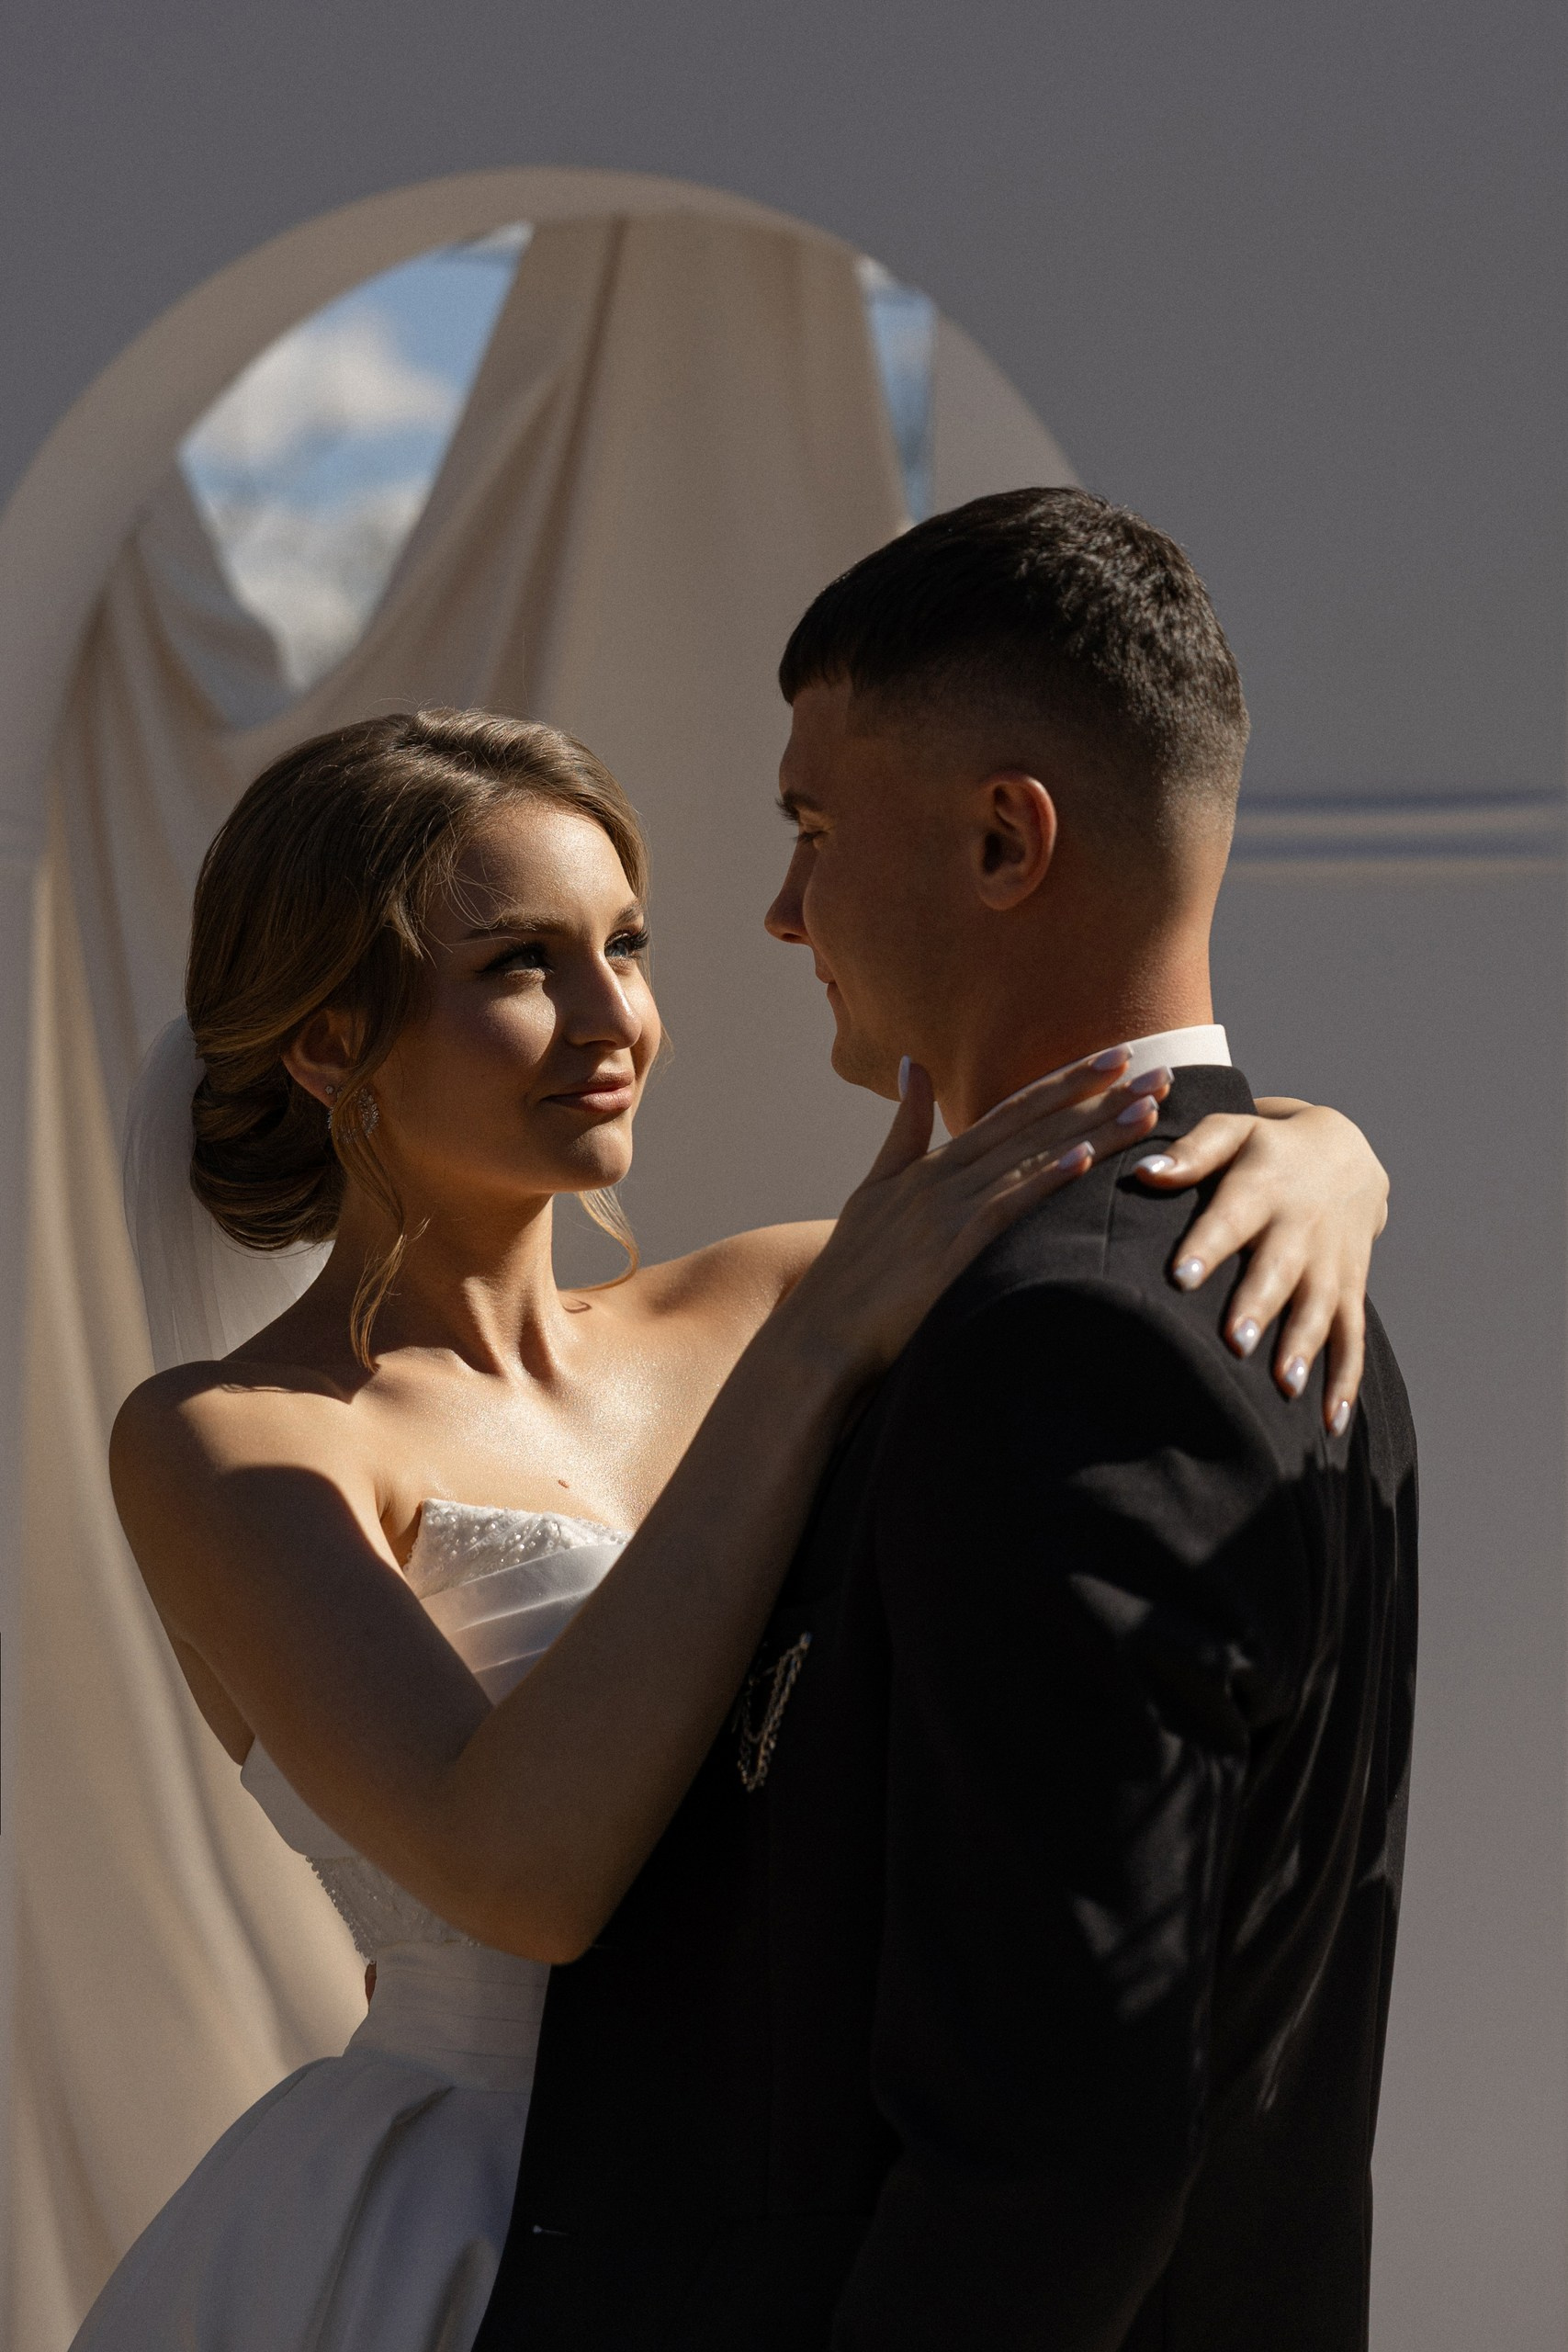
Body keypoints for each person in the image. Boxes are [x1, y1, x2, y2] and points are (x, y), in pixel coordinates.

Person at [76, 694, 1388, 2352]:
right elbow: (523, 1877)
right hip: (475, 2233)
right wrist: (816, 1361)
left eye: (624, 946)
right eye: (519, 966)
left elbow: (1124, 1178)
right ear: (331, 1045)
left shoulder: (783, 1285)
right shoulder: (227, 1443)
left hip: (813, 2212)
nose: (611, 1018)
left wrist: (1333, 1157)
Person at [475, 492, 1417, 2352]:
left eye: (814, 829)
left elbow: (1051, 2155)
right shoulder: (1202, 1268)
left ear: (1004, 838)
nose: (780, 908)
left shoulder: (1079, 1329)